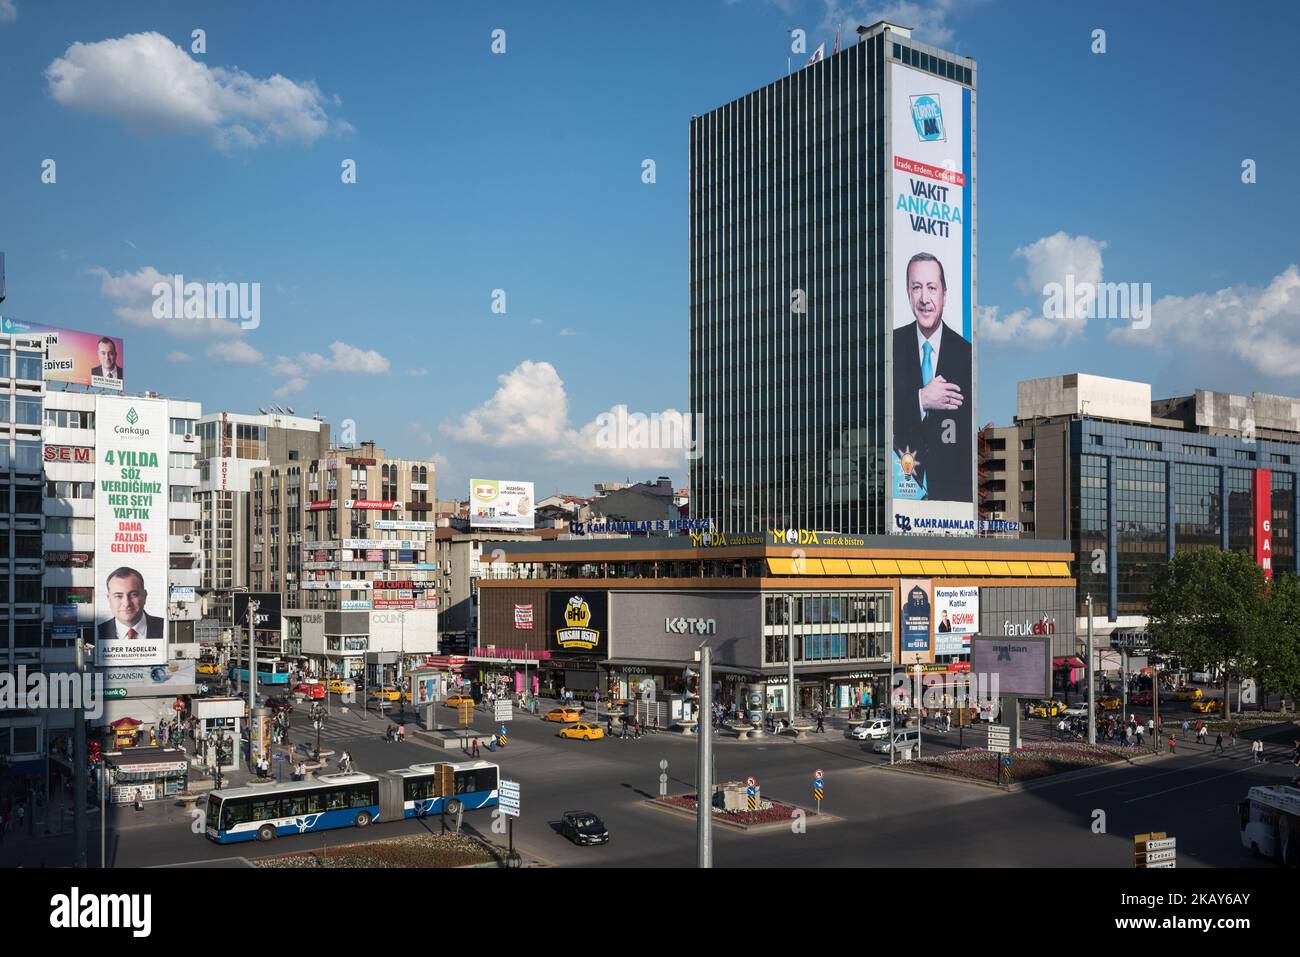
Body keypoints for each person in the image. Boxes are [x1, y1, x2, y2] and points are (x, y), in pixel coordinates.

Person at [891, 251, 973, 503]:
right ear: (907, 292)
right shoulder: (890, 347)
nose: (924, 299)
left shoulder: (967, 354)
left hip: (951, 501)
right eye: (917, 288)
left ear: (944, 295)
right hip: (897, 492)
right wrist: (920, 400)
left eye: (931, 288)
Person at [95, 566, 165, 642]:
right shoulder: (97, 632)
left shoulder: (166, 627)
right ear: (109, 599)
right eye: (118, 596)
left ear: (144, 596)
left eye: (133, 594)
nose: (127, 603)